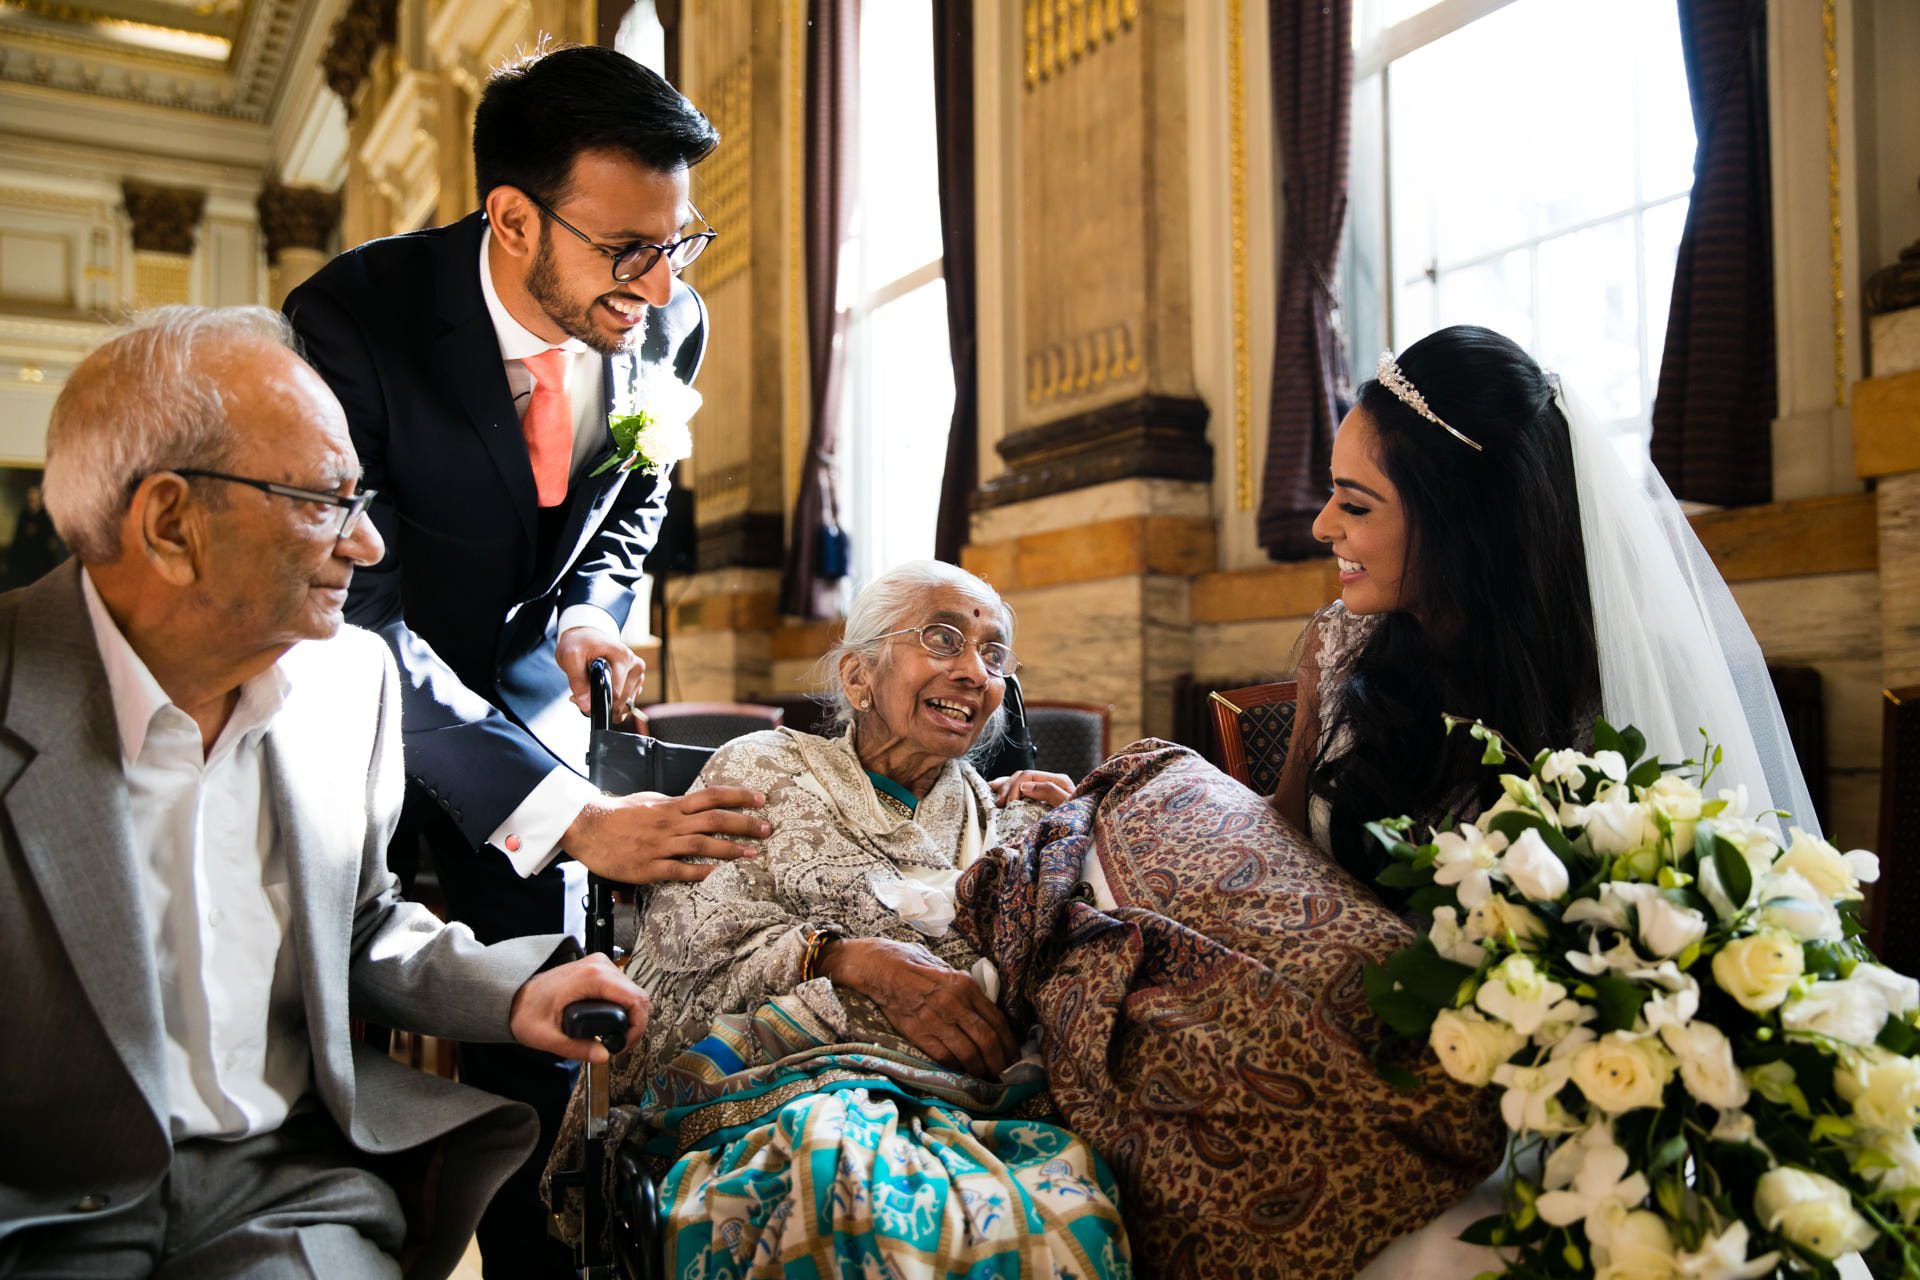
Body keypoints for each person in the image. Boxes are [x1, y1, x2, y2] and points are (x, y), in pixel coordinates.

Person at [0, 306, 649, 1280]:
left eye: (364, 496)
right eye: (324, 500)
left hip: (278, 1189)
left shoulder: (350, 681)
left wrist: (515, 988)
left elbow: (361, 926)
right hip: (37, 1211)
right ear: (171, 522)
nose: (371, 545)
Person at [284, 44, 767, 1274]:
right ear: (511, 217)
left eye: (679, 243)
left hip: (533, 694)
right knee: (350, 974)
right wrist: (567, 810)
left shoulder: (671, 319)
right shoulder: (353, 321)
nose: (661, 286)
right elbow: (360, 607)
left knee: (555, 958)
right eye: (628, 251)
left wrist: (592, 610)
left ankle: (543, 1240)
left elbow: (634, 506)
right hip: (361, 698)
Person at [546, 561, 1128, 1276]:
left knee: (1078, 1204)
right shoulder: (761, 772)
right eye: (943, 640)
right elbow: (678, 975)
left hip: (973, 1105)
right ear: (859, 679)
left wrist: (1060, 831)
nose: (975, 671)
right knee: (844, 1182)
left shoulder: (1001, 816)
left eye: (994, 654)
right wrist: (843, 958)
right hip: (782, 1093)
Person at [1276, 323, 1815, 888]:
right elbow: (1284, 836)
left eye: (1356, 506)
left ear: (1464, 523)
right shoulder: (1338, 646)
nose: (1320, 525)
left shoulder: (1621, 682)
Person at [5, 485, 67, 588]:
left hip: (40, 557)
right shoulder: (24, 515)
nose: (33, 500)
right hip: (25, 556)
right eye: (31, 497)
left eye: (35, 497)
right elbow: (18, 537)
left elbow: (49, 537)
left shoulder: (45, 516)